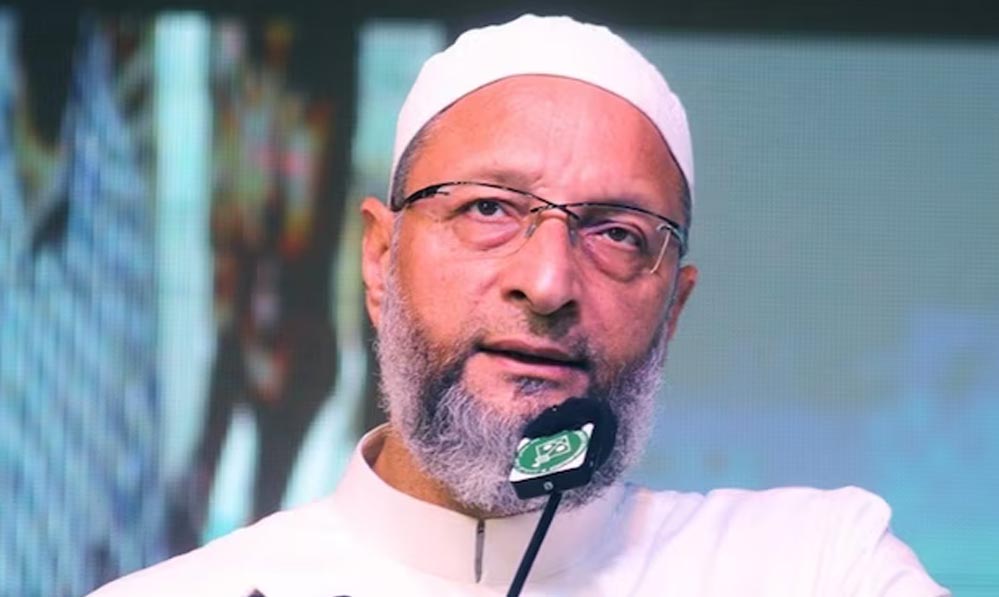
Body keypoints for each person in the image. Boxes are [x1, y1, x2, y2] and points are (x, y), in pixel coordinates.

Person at [90, 14, 949, 596]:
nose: (547, 283)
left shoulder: (815, 567)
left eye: (616, 233)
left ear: (672, 308)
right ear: (381, 258)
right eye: (488, 209)